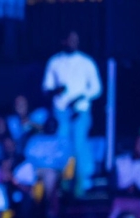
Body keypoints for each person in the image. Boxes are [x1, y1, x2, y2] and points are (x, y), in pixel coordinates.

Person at [43, 31, 101, 194]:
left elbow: (96, 88)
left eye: (75, 40)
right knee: (63, 143)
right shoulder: (54, 62)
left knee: (79, 141)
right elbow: (46, 88)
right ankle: (65, 179)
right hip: (61, 112)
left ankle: (85, 179)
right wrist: (57, 90)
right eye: (69, 40)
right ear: (63, 41)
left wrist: (82, 97)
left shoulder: (86, 62)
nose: (72, 42)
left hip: (80, 110)